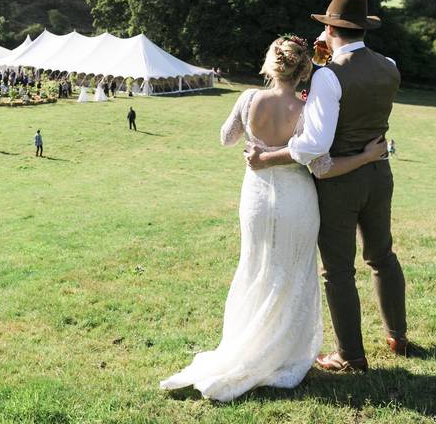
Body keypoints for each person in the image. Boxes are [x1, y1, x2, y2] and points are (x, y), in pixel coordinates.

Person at [160, 32, 388, 401]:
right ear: (303, 73)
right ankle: (281, 353)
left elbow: (226, 138)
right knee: (291, 273)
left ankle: (246, 344)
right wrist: (366, 155)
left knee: (255, 268)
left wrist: (255, 137)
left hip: (256, 198)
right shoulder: (305, 109)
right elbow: (323, 167)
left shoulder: (249, 99)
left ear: (270, 65)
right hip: (297, 200)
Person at [246, 0, 416, 373]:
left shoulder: (328, 76)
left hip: (339, 181)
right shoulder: (389, 65)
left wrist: (269, 156)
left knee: (338, 270)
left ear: (329, 28)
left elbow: (315, 143)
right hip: (379, 172)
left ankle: (351, 356)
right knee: (382, 256)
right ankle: (397, 336)